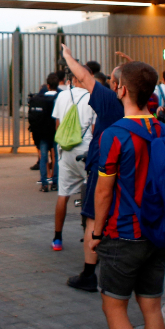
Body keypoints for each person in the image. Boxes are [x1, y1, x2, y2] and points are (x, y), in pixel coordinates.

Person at [89, 61, 165, 329]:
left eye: (114, 82)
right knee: (151, 308)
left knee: (114, 307)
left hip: (122, 233)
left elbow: (103, 191)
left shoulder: (114, 135)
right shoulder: (162, 129)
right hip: (157, 232)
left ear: (121, 89)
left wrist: (97, 232)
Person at [62, 46, 127, 293]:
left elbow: (87, 78)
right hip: (128, 169)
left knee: (92, 218)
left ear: (120, 86)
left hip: (104, 168)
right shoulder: (141, 108)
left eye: (112, 80)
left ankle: (89, 274)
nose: (109, 84)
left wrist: (68, 57)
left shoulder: (111, 102)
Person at [51, 70, 96, 252]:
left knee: (63, 194)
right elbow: (94, 128)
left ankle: (57, 238)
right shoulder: (92, 97)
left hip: (65, 150)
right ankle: (87, 233)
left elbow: (58, 124)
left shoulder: (62, 96)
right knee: (89, 195)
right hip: (85, 149)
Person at [27, 73, 59, 192]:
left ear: (48, 85)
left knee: (43, 157)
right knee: (56, 157)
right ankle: (55, 182)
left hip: (42, 133)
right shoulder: (60, 97)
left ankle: (44, 183)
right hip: (55, 132)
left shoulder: (39, 99)